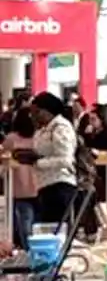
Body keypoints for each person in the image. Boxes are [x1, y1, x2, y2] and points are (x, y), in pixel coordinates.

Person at [21, 93, 79, 223]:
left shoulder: (61, 128)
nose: (33, 115)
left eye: (36, 112)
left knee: (58, 229)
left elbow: (66, 160)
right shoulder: (43, 128)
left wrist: (39, 163)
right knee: (47, 228)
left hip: (60, 185)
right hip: (45, 185)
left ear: (47, 111)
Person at [3, 106, 40, 247]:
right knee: (38, 224)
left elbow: (4, 158)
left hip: (19, 188)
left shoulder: (11, 139)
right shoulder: (40, 137)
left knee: (25, 224)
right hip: (40, 185)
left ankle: (28, 251)